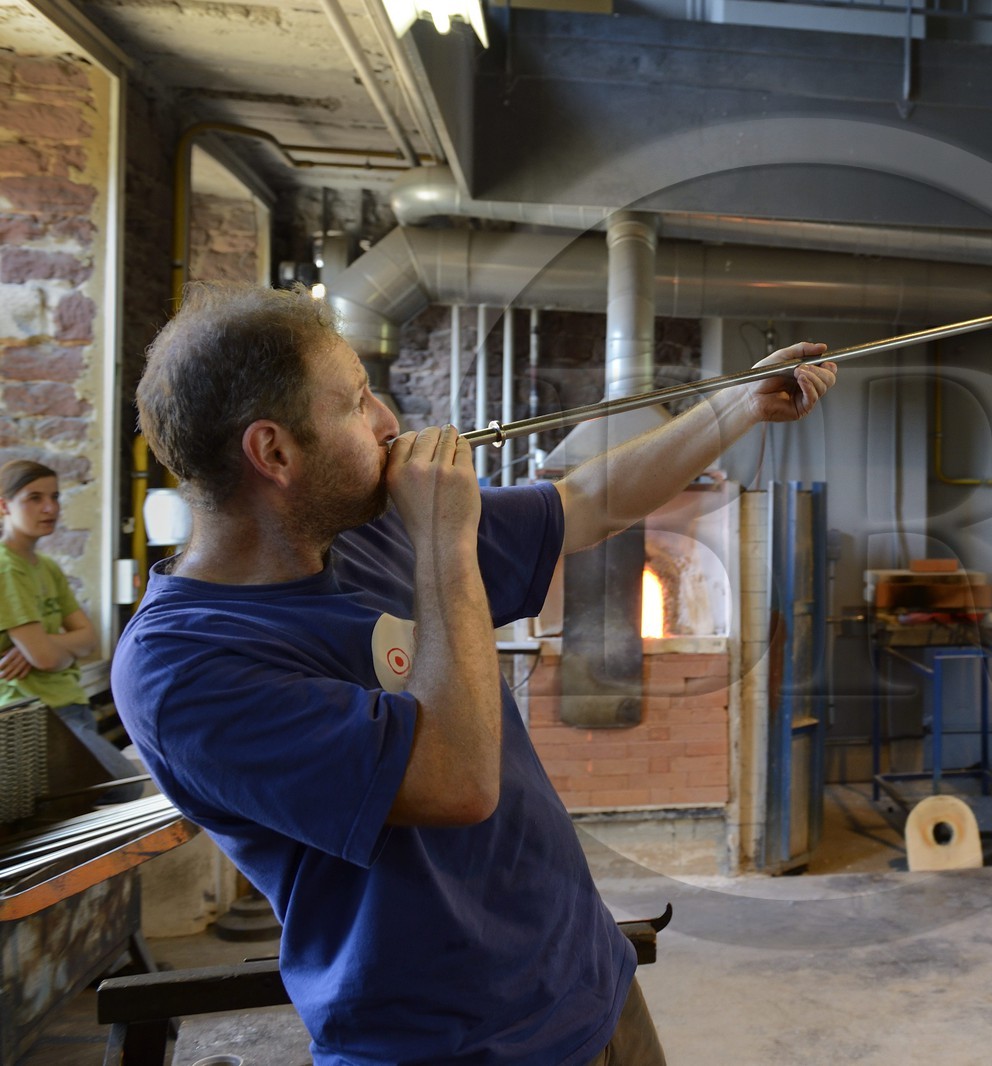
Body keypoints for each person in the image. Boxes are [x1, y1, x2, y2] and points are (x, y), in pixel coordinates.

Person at [110, 283, 834, 1065]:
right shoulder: (183, 668)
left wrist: (739, 406)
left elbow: (589, 501)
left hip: (589, 979)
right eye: (356, 403)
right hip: (457, 1042)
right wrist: (445, 542)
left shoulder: (362, 534)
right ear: (273, 452)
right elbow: (457, 782)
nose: (389, 424)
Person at [0, 459, 143, 803]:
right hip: (33, 718)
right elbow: (49, 657)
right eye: (34, 498)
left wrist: (43, 646)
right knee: (126, 787)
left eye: (55, 497)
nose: (50, 508)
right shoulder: (6, 567)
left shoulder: (46, 566)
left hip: (69, 707)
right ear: (4, 506)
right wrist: (53, 650)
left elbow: (88, 637)